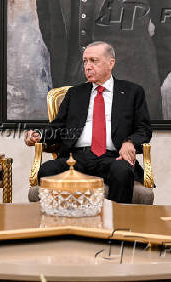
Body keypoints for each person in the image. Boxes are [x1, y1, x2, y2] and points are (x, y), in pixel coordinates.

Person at [24, 41, 152, 203]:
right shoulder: (75, 94)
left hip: (113, 158)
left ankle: (117, 224)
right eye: (85, 61)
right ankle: (62, 224)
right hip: (76, 158)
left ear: (110, 63)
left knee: (122, 171)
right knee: (47, 169)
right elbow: (57, 127)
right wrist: (38, 135)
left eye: (94, 61)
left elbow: (144, 129)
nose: (88, 66)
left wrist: (130, 142)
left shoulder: (132, 92)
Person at [36, 0, 171, 120]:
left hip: (132, 94)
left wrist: (149, 76)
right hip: (72, 93)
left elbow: (168, 27)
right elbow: (48, 24)